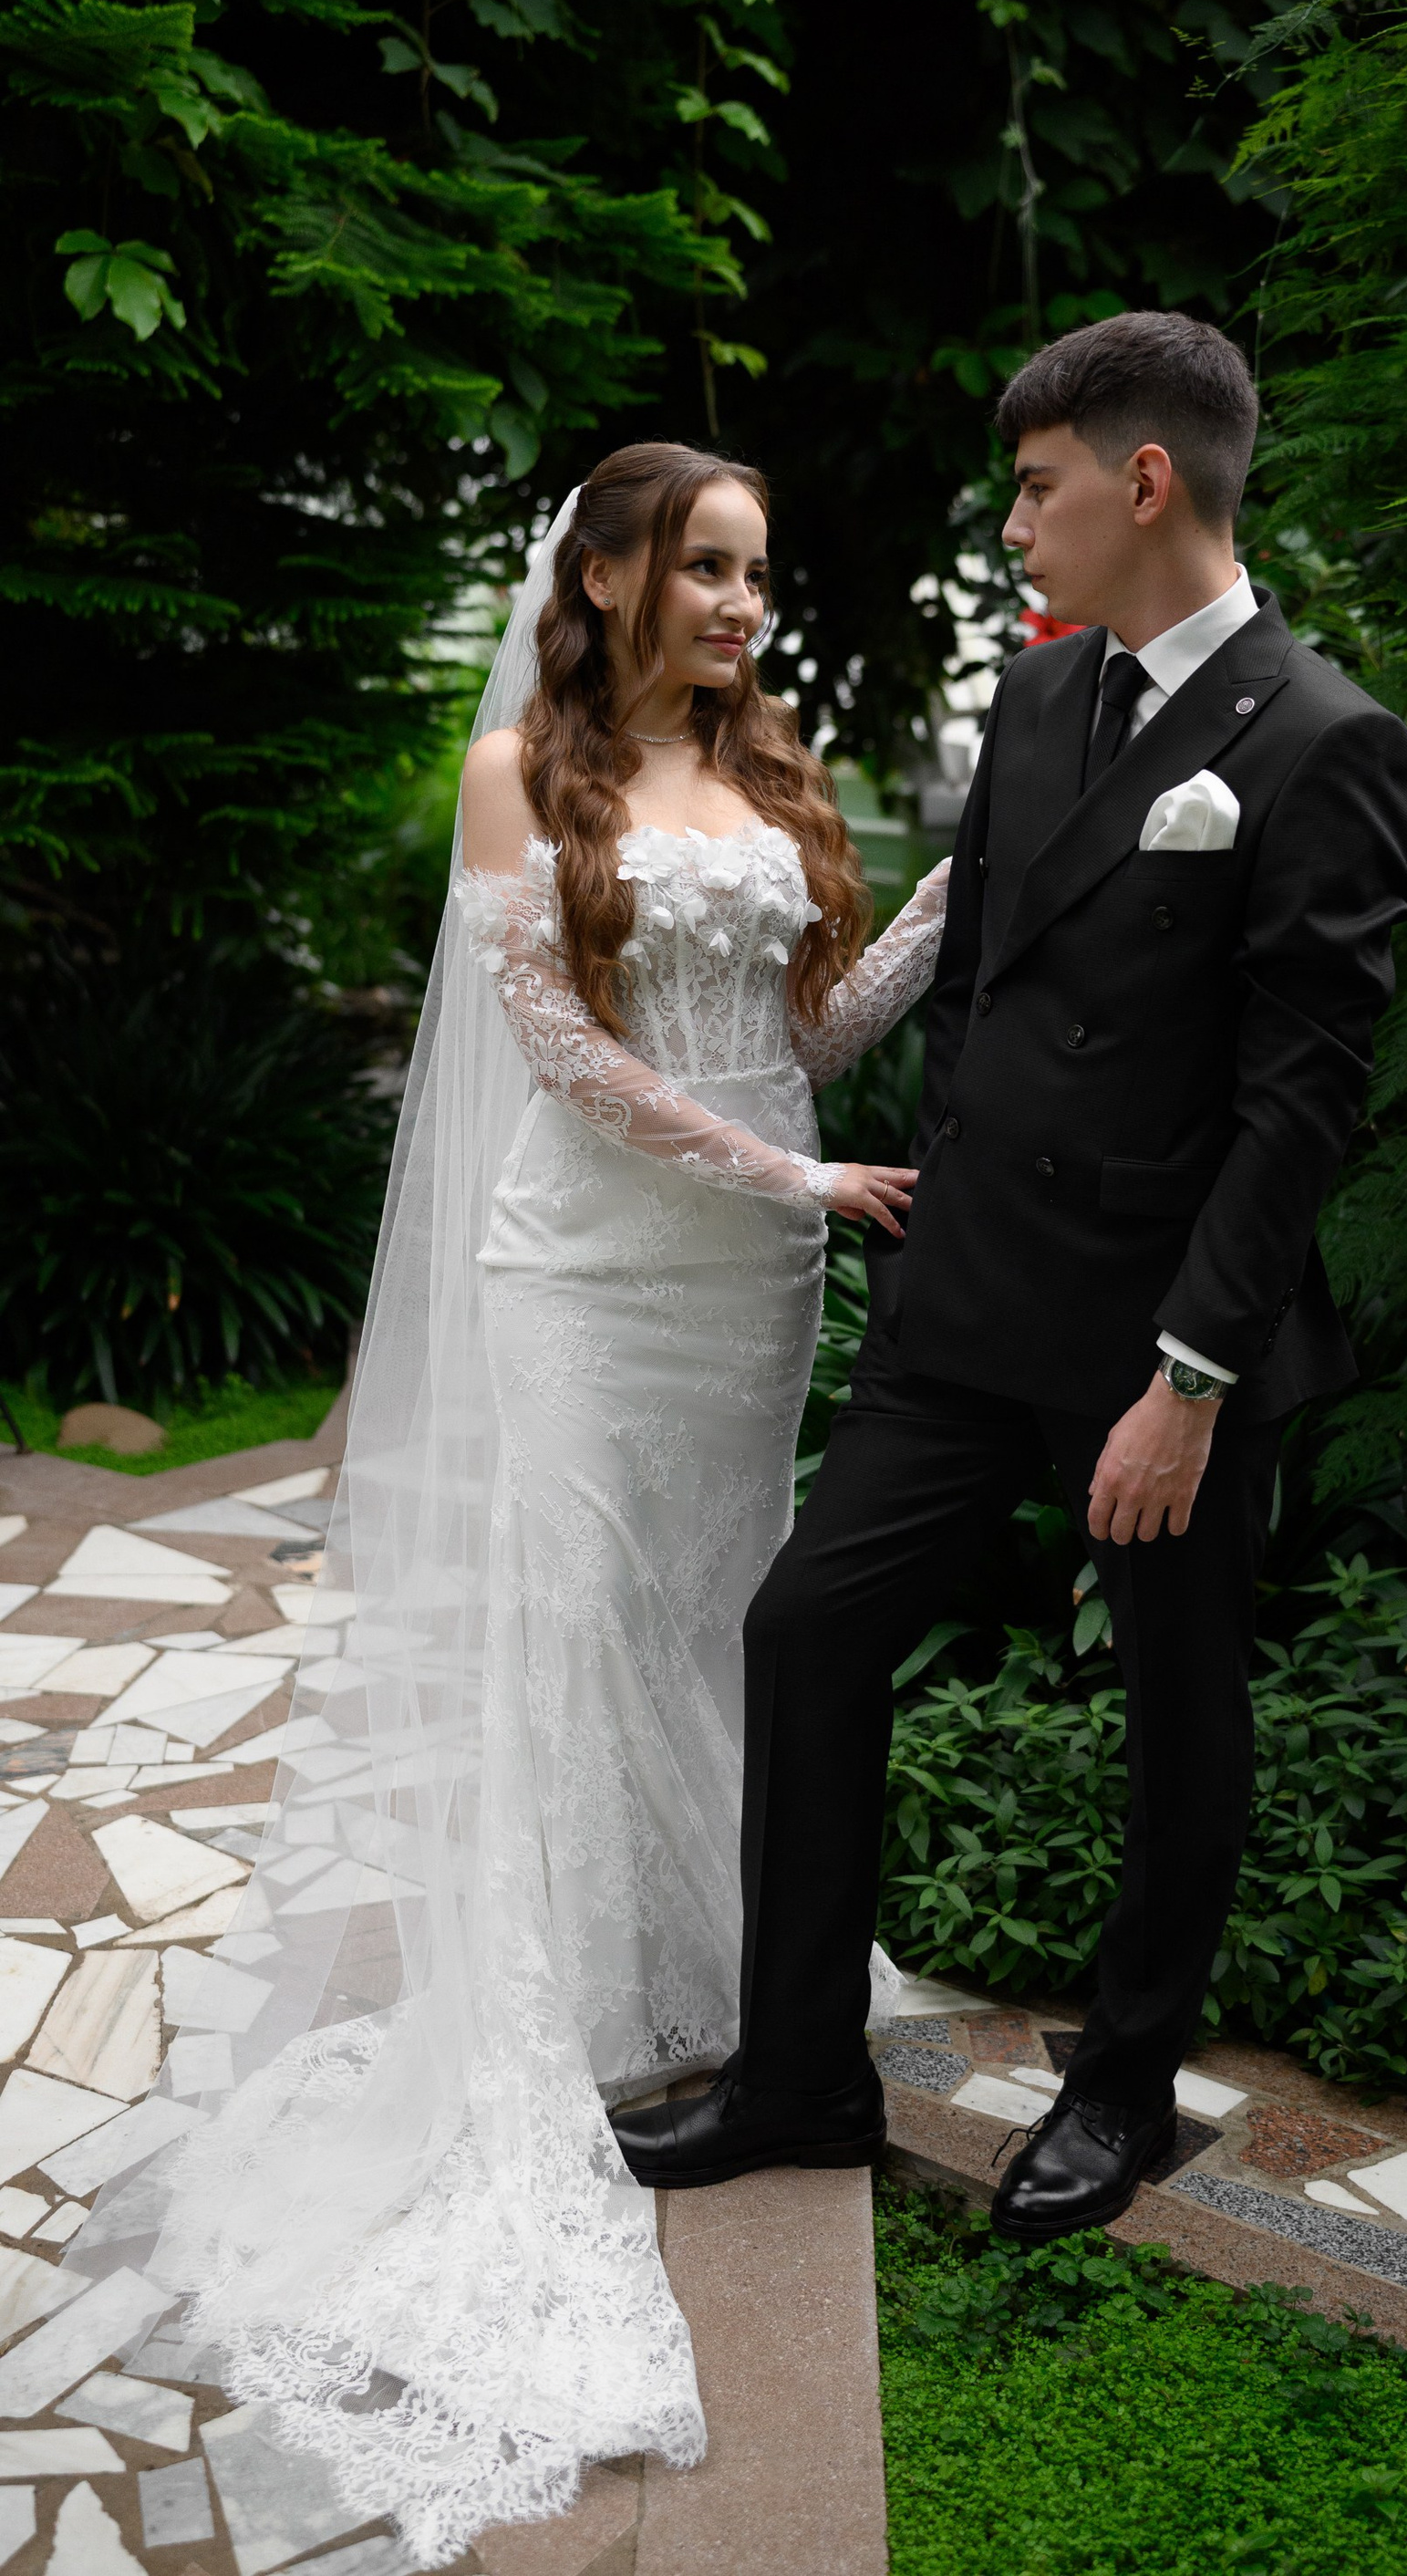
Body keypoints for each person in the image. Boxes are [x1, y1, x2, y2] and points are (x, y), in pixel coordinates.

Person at [69, 443, 947, 2567]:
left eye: (758, 570)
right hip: (588, 1271)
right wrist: (790, 1166)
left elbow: (812, 1028)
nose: (741, 602)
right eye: (707, 565)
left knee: (719, 1612)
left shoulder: (776, 767)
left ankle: (727, 1983)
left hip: (752, 1281)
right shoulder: (514, 778)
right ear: (614, 571)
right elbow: (563, 1052)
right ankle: (583, 2017)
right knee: (580, 1613)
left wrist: (955, 901)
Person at [612, 312, 1407, 2240]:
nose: (1011, 525)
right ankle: (799, 2075)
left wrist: (1192, 1377)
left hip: (1158, 1338)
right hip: (971, 1303)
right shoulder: (1045, 694)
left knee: (1177, 1708)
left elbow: (1300, 1102)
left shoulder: (1325, 739)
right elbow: (977, 987)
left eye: (1035, 487)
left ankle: (1120, 2090)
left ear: (1144, 481)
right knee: (809, 1629)